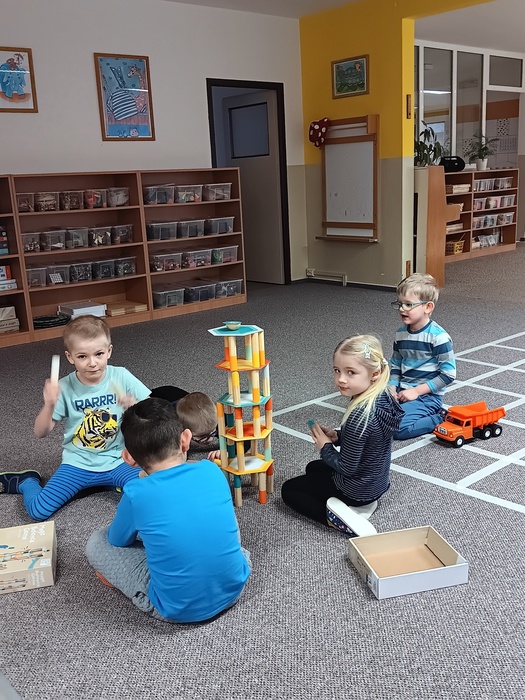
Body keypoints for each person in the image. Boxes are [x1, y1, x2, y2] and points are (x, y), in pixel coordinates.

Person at [85, 397, 251, 624]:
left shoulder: (135, 493)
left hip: (177, 609)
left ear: (129, 458)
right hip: (234, 588)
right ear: (186, 439)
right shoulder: (212, 470)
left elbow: (117, 540)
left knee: (97, 541)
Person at [0, 315, 150, 521]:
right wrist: (49, 405)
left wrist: (136, 408)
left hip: (119, 459)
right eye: (82, 357)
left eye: (99, 354)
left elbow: (154, 414)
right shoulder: (64, 387)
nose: (92, 363)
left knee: (150, 496)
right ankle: (27, 482)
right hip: (78, 463)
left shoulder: (121, 376)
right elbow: (40, 432)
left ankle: (110, 483)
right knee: (38, 511)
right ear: (70, 357)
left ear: (109, 351)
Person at [281, 334, 403, 537]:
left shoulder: (360, 415)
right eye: (337, 370)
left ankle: (335, 519)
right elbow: (368, 441)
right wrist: (338, 436)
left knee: (289, 490)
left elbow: (347, 467)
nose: (341, 379)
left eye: (350, 372)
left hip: (356, 490)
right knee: (313, 468)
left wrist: (325, 446)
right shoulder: (383, 397)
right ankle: (361, 502)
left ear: (374, 373)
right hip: (376, 484)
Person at [389, 273, 456, 440]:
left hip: (427, 397)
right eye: (400, 304)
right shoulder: (400, 334)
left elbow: (449, 374)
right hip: (402, 392)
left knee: (397, 429)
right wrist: (392, 388)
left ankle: (439, 417)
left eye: (408, 304)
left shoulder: (439, 337)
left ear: (428, 307)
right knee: (371, 415)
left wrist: (416, 391)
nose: (402, 309)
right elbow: (396, 365)